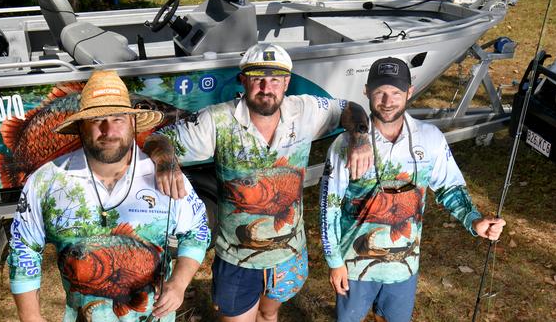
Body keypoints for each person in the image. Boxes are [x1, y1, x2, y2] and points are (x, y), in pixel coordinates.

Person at [143, 42, 373, 322]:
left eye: (275, 80)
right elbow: (159, 138)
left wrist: (361, 138)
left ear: (286, 82)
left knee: (268, 314)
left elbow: (350, 108)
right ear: (243, 80)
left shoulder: (307, 111)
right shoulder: (217, 120)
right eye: (257, 79)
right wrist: (166, 160)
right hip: (237, 258)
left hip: (290, 254)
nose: (267, 87)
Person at [7, 70, 210, 322]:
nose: (108, 130)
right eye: (97, 120)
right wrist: (30, 316)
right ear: (81, 127)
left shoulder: (165, 177)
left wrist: (178, 283)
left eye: (118, 118)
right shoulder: (46, 180)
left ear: (133, 123)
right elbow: (24, 247)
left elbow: (198, 229)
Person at [320, 57, 506, 322]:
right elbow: (330, 207)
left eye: (396, 92)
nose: (388, 101)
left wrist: (474, 220)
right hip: (353, 265)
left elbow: (449, 186)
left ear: (410, 91)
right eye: (380, 92)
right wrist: (334, 261)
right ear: (366, 91)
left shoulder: (430, 138)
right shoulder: (344, 144)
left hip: (403, 265)